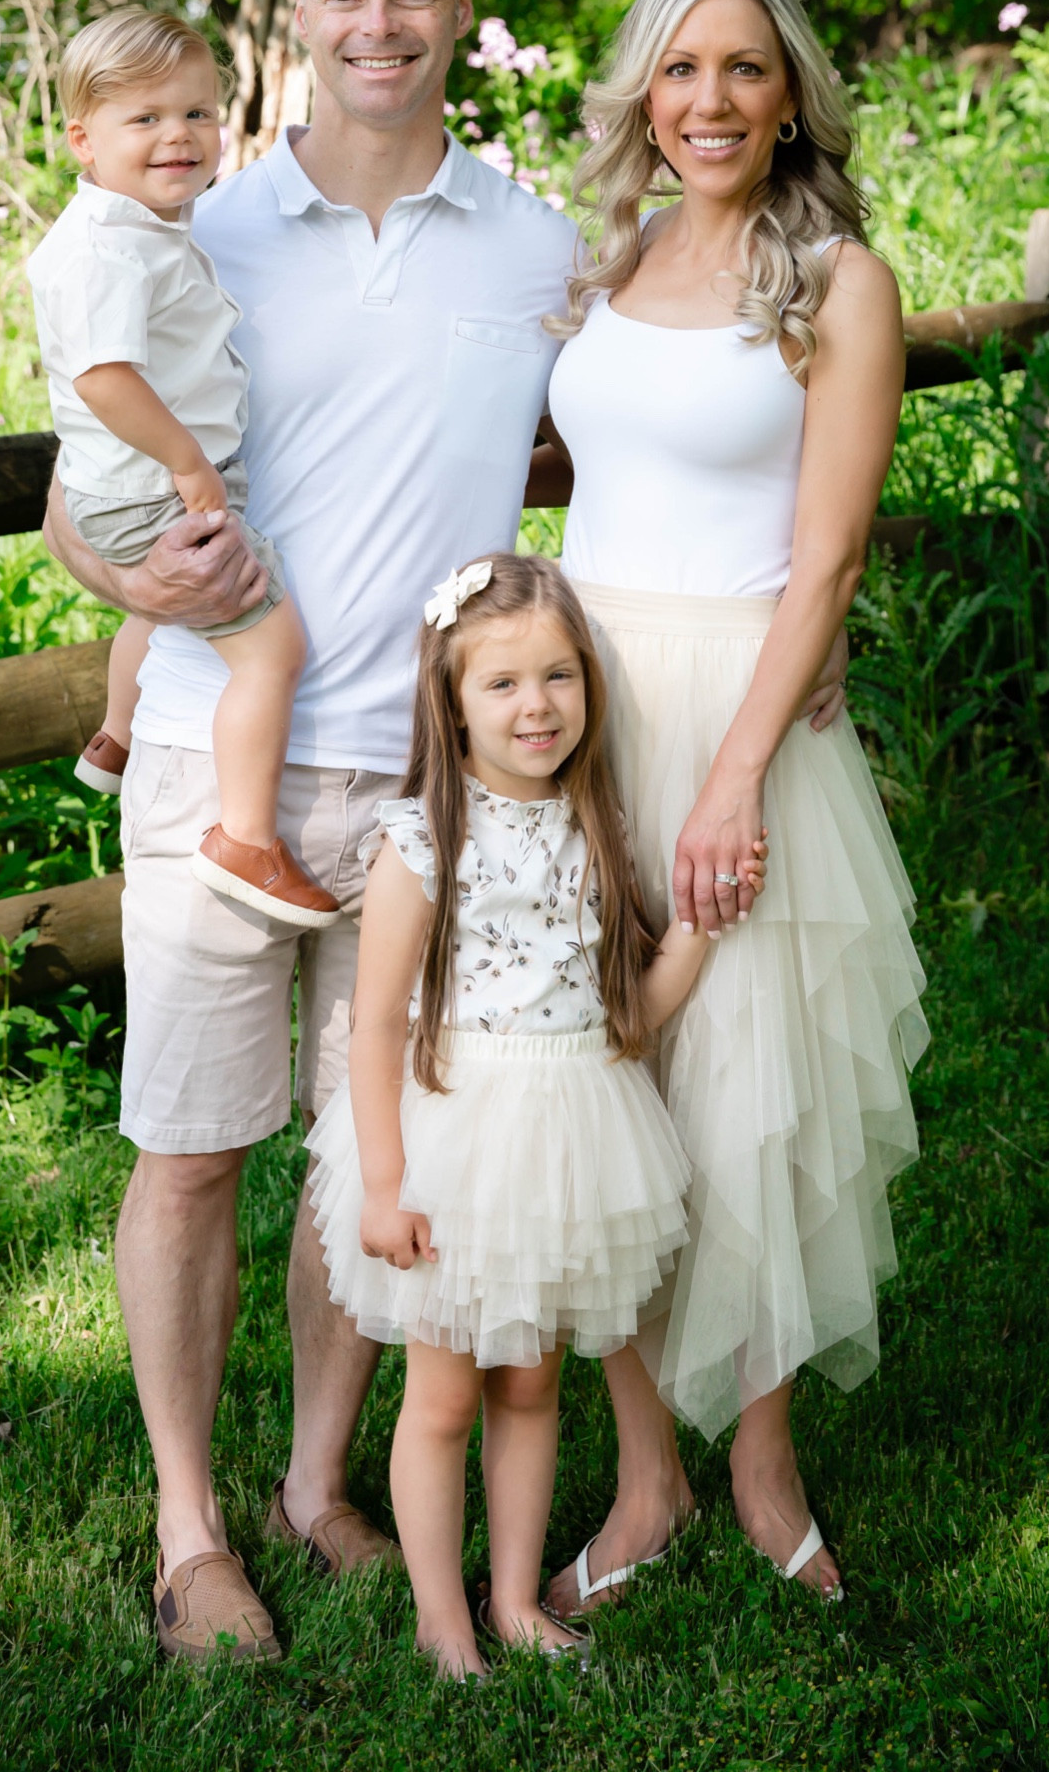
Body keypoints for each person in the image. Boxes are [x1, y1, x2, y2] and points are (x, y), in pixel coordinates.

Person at [41, 0, 580, 1664]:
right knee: (196, 1151)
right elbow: (73, 483)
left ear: (454, 3)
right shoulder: (195, 222)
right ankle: (193, 1525)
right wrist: (130, 577)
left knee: (376, 1157)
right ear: (300, 9)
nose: (377, 27)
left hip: (430, 790)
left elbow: (658, 427)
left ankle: (317, 1482)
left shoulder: (532, 242)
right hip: (220, 759)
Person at [539, 0, 928, 1618]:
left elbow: (826, 554)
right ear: (643, 90)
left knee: (752, 1087)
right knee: (599, 1071)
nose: (708, 101)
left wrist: (734, 778)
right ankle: (645, 1469)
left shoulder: (839, 281)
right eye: (680, 69)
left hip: (743, 717)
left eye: (744, 71)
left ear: (790, 99)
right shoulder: (608, 259)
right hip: (579, 707)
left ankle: (764, 1456)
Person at [306, 554, 767, 1678]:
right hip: (454, 1142)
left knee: (531, 1381)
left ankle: (511, 1595)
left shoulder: (596, 825)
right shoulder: (421, 841)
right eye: (502, 684)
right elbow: (372, 1026)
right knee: (446, 1391)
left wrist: (707, 921)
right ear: (450, 699)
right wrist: (381, 1180)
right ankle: (439, 1616)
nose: (536, 706)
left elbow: (633, 1020)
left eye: (558, 676)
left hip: (570, 1137)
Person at [30, 8, 337, 929]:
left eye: (198, 115)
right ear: (83, 140)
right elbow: (102, 378)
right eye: (147, 118)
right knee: (273, 650)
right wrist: (190, 464)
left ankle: (117, 735)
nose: (179, 136)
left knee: (153, 612)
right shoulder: (109, 247)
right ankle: (246, 837)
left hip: (137, 484)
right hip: (152, 486)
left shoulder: (143, 228)